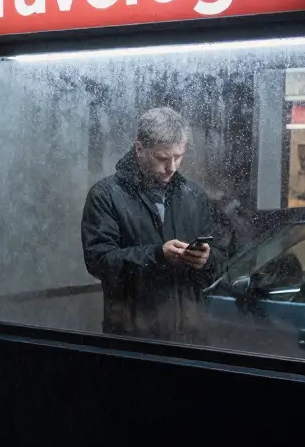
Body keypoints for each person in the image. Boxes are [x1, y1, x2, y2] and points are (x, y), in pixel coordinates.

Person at [81, 107, 224, 341]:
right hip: (133, 339)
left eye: (179, 156)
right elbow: (99, 261)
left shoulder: (193, 195)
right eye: (162, 158)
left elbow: (221, 258)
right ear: (139, 149)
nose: (172, 167)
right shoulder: (106, 195)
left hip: (190, 336)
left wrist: (206, 261)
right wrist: (157, 255)